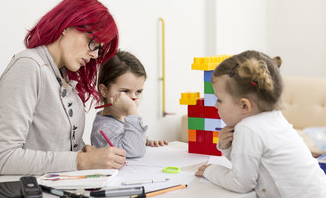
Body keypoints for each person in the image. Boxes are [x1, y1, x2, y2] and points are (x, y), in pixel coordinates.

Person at [0, 0, 126, 175]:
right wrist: (81, 160)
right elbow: (2, 159)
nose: (94, 55)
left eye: (99, 49)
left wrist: (85, 152)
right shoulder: (29, 66)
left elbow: (54, 147)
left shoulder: (62, 75)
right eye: (92, 43)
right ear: (66, 27)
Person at [195, 50, 326, 197]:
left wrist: (210, 170)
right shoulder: (274, 119)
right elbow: (251, 166)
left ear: (245, 106)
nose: (215, 106)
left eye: (219, 100)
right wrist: (227, 147)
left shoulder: (248, 129)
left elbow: (240, 183)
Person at [91, 50, 168, 158]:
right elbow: (134, 151)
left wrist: (146, 142)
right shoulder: (103, 129)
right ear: (104, 91)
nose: (133, 98)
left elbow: (132, 144)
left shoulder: (122, 119)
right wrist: (132, 110)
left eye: (138, 91)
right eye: (125, 91)